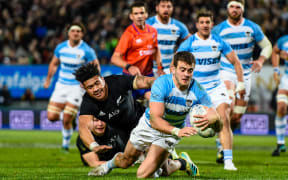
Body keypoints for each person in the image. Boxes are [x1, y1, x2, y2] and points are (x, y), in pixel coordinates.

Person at [88, 51, 221, 178]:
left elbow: (217, 122)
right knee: (126, 161)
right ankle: (107, 166)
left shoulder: (197, 89)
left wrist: (215, 119)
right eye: (182, 69)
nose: (186, 74)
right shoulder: (162, 84)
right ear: (173, 69)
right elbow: (155, 120)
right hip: (149, 126)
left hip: (169, 135)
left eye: (190, 70)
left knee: (143, 174)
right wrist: (177, 131)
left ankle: (176, 163)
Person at [177, 10, 245, 170]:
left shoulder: (219, 41)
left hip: (215, 88)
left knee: (224, 118)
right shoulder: (190, 43)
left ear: (212, 24)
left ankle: (228, 161)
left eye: (208, 22)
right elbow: (176, 63)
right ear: (197, 25)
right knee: (171, 118)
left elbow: (235, 61)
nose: (205, 25)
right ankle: (166, 155)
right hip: (193, 89)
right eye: (202, 22)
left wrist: (240, 82)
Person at [212, 0, 272, 161]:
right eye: (231, 6)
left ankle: (224, 139)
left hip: (246, 74)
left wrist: (260, 61)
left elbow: (267, 46)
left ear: (242, 10)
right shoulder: (219, 29)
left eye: (238, 7)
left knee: (237, 117)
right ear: (227, 9)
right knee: (228, 106)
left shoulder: (252, 28)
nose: (234, 9)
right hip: (226, 72)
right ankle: (221, 147)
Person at [43, 22, 100, 152]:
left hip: (77, 87)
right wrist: (48, 80)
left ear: (82, 34)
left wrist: (93, 83)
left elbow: (96, 67)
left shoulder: (87, 50)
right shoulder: (61, 48)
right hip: (61, 85)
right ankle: (70, 118)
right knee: (51, 117)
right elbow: (54, 63)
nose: (75, 33)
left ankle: (65, 145)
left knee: (67, 118)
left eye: (78, 31)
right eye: (73, 31)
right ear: (68, 33)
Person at [74, 63, 155, 153]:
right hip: (123, 134)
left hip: (142, 120)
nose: (96, 89)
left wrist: (164, 83)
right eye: (90, 87)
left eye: (97, 83)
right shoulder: (88, 103)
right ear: (84, 88)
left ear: (102, 79)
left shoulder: (117, 82)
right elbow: (83, 128)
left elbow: (145, 81)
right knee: (127, 161)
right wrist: (94, 146)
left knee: (156, 155)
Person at [111, 2, 164, 100]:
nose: (139, 16)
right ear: (131, 16)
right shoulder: (128, 34)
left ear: (146, 14)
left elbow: (156, 50)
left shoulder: (153, 31)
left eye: (141, 13)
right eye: (136, 14)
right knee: (138, 107)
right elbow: (114, 58)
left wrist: (160, 67)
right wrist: (129, 67)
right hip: (131, 77)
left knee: (155, 99)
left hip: (148, 74)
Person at [146, 0, 191, 76]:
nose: (166, 9)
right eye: (163, 6)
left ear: (172, 8)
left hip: (169, 69)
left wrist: (179, 55)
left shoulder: (179, 26)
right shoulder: (148, 24)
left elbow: (191, 41)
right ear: (157, 8)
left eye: (168, 6)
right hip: (150, 69)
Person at [271, 35, 288, 156]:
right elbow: (275, 51)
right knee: (281, 108)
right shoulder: (284, 40)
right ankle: (280, 143)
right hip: (286, 79)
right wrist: (276, 70)